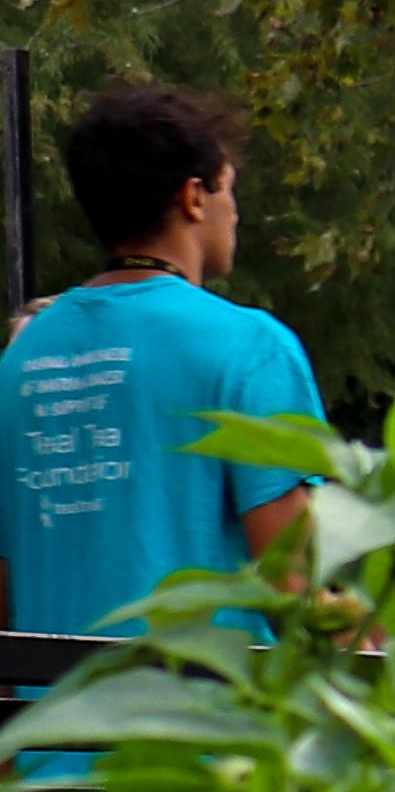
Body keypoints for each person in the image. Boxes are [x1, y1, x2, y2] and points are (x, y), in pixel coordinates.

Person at [0, 80, 320, 634]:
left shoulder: (19, 362)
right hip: (207, 715)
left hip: (51, 714)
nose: (235, 214)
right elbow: (299, 585)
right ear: (194, 197)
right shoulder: (249, 347)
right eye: (228, 192)